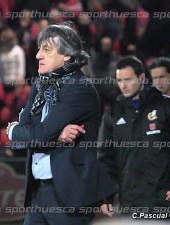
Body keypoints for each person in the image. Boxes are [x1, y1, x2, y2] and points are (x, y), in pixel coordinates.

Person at [6, 24, 117, 225]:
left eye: (46, 49)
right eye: (39, 48)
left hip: (67, 194)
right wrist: (54, 136)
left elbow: (33, 133)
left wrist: (14, 130)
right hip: (38, 193)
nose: (38, 55)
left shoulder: (79, 88)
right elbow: (29, 130)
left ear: (67, 55)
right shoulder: (40, 85)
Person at [98, 56, 170, 214]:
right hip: (130, 201)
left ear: (141, 78)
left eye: (128, 79)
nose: (123, 85)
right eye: (119, 80)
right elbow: (105, 158)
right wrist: (105, 196)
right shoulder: (112, 115)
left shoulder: (168, 107)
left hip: (166, 200)